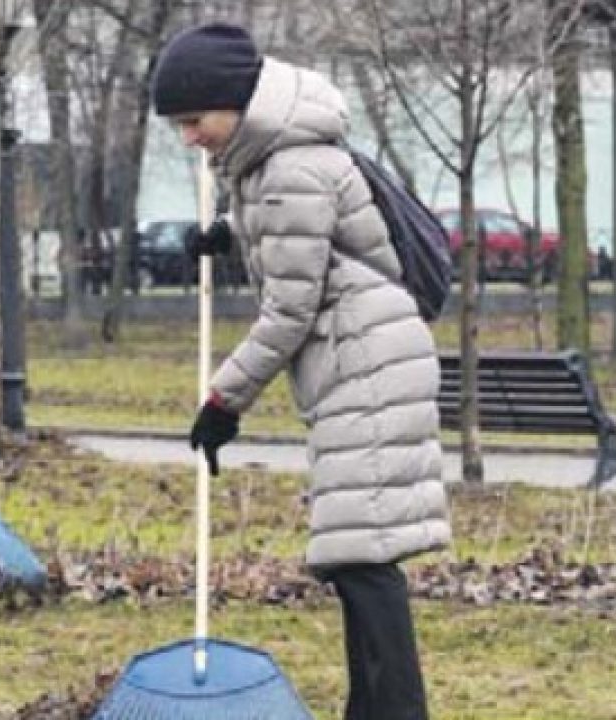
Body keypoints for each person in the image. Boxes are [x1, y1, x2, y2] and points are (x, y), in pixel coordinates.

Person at [153, 23, 449, 720]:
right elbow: (313, 239)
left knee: (364, 560)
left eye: (194, 121)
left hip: (366, 364)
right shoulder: (274, 158)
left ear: (236, 103)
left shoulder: (288, 168)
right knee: (356, 558)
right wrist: (225, 237)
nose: (188, 138)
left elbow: (290, 310)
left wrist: (224, 399)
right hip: (361, 356)